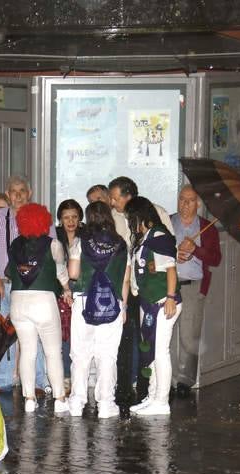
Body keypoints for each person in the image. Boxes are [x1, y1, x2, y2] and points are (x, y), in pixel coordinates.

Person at [0, 176, 51, 395]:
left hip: (34, 287)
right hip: (6, 286)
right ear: (8, 194)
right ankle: (2, 379)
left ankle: (39, 381)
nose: (18, 195)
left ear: (29, 193)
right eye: (13, 191)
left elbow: (52, 250)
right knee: (5, 334)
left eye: (22, 190)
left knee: (35, 334)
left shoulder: (41, 216)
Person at [107, 176, 173, 407]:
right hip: (128, 286)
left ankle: (149, 392)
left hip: (153, 290)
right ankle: (124, 389)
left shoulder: (157, 213)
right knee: (125, 340)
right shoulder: (114, 216)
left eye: (115, 198)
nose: (112, 203)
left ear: (128, 196)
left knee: (152, 345)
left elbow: (168, 250)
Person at [6, 203, 71, 413]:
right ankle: (60, 398)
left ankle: (29, 399)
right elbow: (62, 273)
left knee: (27, 351)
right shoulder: (54, 245)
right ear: (45, 221)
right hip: (44, 301)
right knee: (53, 352)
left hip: (18, 301)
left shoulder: (14, 245)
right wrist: (67, 290)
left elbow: (10, 271)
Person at [67, 201, 128, 419]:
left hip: (84, 301)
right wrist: (125, 306)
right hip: (112, 303)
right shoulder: (121, 243)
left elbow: (73, 273)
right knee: (108, 354)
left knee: (81, 355)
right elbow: (125, 279)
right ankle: (106, 404)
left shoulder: (80, 242)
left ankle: (76, 402)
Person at [126, 197, 182, 416]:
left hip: (162, 302)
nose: (130, 222)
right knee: (151, 351)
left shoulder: (159, 236)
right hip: (148, 301)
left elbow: (170, 269)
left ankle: (162, 400)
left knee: (161, 352)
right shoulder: (145, 238)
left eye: (131, 217)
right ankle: (152, 396)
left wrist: (169, 297)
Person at [170, 186, 221, 396]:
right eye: (182, 200)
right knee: (168, 335)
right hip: (169, 285)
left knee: (190, 337)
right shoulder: (168, 222)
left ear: (198, 203)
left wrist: (195, 250)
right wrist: (175, 254)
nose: (185, 205)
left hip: (193, 285)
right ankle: (169, 381)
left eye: (190, 201)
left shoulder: (207, 228)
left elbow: (216, 259)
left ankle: (185, 381)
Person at [55, 199, 84, 380]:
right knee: (64, 332)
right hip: (60, 287)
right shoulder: (55, 236)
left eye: (74, 217)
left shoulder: (87, 235)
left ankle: (81, 375)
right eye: (66, 217)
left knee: (80, 332)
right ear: (60, 219)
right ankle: (65, 375)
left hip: (81, 287)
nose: (71, 221)